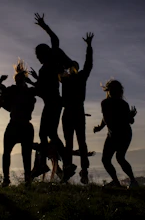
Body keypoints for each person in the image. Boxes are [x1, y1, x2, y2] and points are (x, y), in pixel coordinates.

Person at [27, 13, 77, 183]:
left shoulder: (48, 65)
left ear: (44, 53)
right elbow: (42, 89)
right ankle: (63, 167)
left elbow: (54, 38)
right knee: (50, 134)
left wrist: (44, 25)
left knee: (45, 134)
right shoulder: (50, 67)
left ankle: (51, 164)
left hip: (53, 103)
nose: (37, 58)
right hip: (54, 103)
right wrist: (32, 83)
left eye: (38, 54)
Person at [59, 32, 94, 184]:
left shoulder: (75, 78)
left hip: (73, 112)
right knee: (74, 143)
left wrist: (89, 47)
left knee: (78, 142)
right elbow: (59, 64)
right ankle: (72, 170)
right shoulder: (65, 78)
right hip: (73, 112)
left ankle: (83, 171)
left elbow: (89, 64)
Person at [93, 79, 139, 189]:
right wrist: (131, 116)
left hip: (116, 134)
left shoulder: (106, 103)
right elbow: (129, 121)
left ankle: (119, 182)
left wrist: (100, 127)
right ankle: (128, 181)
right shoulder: (123, 104)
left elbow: (107, 118)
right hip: (122, 133)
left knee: (109, 159)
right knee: (118, 158)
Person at [0, 58, 37, 187]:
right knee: (14, 153)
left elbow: (5, 104)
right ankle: (10, 179)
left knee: (22, 154)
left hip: (20, 124)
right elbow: (5, 104)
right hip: (19, 124)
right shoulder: (24, 91)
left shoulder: (24, 91)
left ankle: (21, 179)